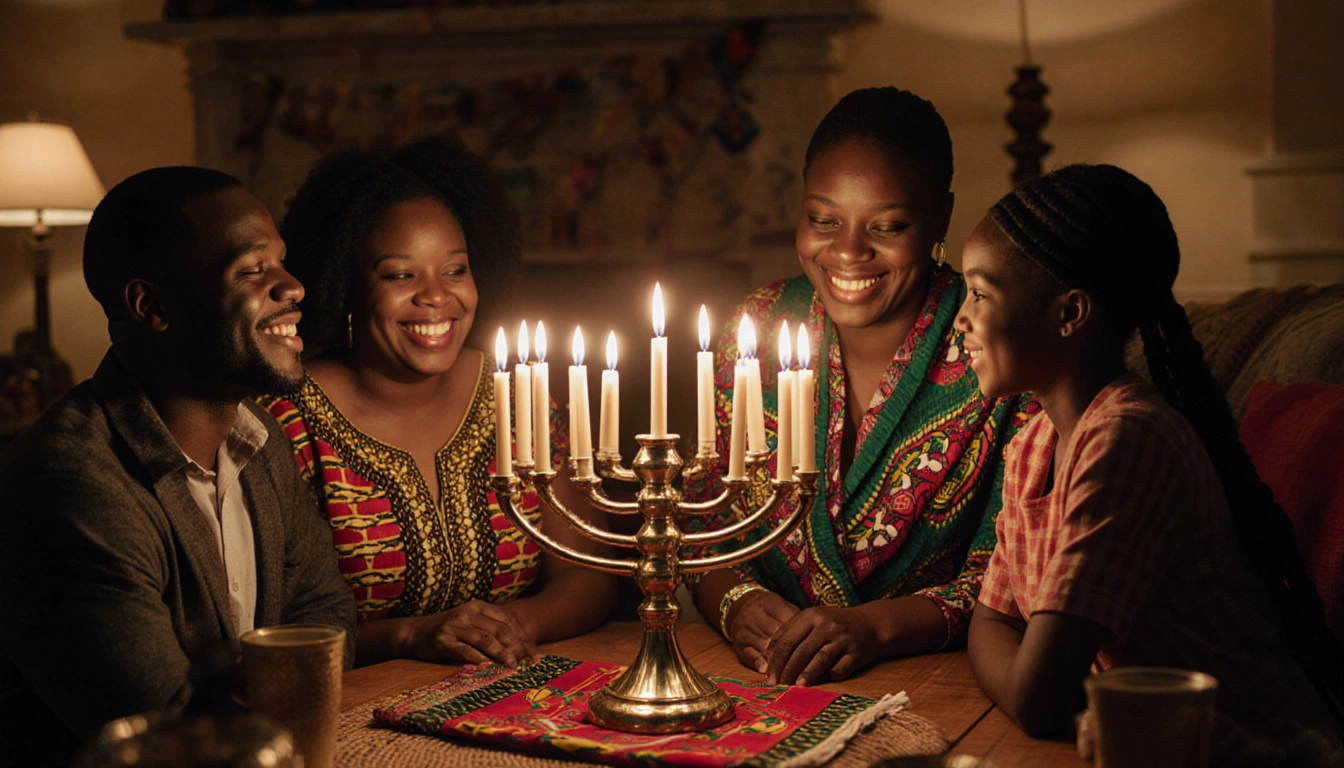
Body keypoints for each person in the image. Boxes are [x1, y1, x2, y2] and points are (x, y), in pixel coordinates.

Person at [961, 164, 1343, 764]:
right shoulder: (1034, 442)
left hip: (1246, 750)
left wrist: (1048, 687)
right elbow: (989, 625)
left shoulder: (1126, 440)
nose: (961, 318)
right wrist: (1039, 682)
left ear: (1070, 313)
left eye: (980, 293)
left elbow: (1037, 697)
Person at [0, 167, 357, 767]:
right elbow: (170, 719)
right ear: (152, 305)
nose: (293, 286)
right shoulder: (72, 481)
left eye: (282, 263)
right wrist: (285, 683)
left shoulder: (260, 439)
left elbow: (326, 618)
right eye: (252, 269)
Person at [690, 87, 1036, 687]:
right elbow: (693, 522)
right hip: (754, 674)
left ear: (941, 217)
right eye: (823, 220)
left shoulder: (997, 346)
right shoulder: (755, 327)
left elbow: (1015, 571)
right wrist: (734, 603)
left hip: (938, 678)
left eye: (887, 225)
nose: (847, 252)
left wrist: (874, 627)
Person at [262, 135, 617, 667]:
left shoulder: (519, 396)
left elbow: (588, 571)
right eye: (401, 275)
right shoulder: (286, 418)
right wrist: (410, 636)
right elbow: (272, 627)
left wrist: (513, 625)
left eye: (455, 270)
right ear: (346, 287)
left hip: (511, 685)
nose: (436, 297)